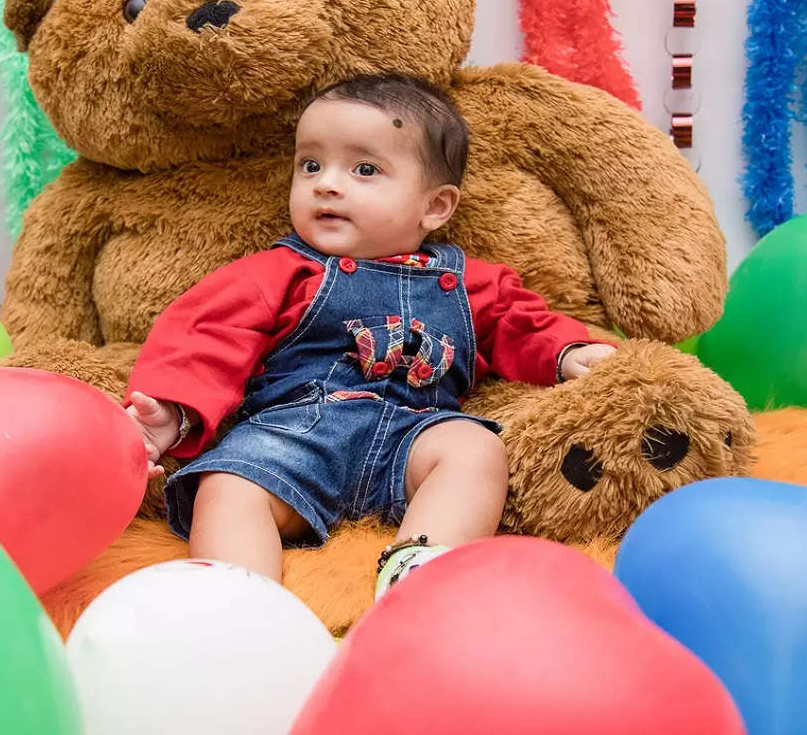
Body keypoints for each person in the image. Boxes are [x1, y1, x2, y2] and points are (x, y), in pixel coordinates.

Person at [125, 73, 616, 597]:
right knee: (227, 486)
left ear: (435, 206)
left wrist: (568, 352)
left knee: (475, 450)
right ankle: (243, 602)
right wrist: (173, 412)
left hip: (414, 440)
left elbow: (522, 323)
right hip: (292, 441)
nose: (326, 184)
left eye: (364, 169)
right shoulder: (280, 271)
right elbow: (205, 337)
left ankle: (421, 577)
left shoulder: (473, 284)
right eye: (310, 165)